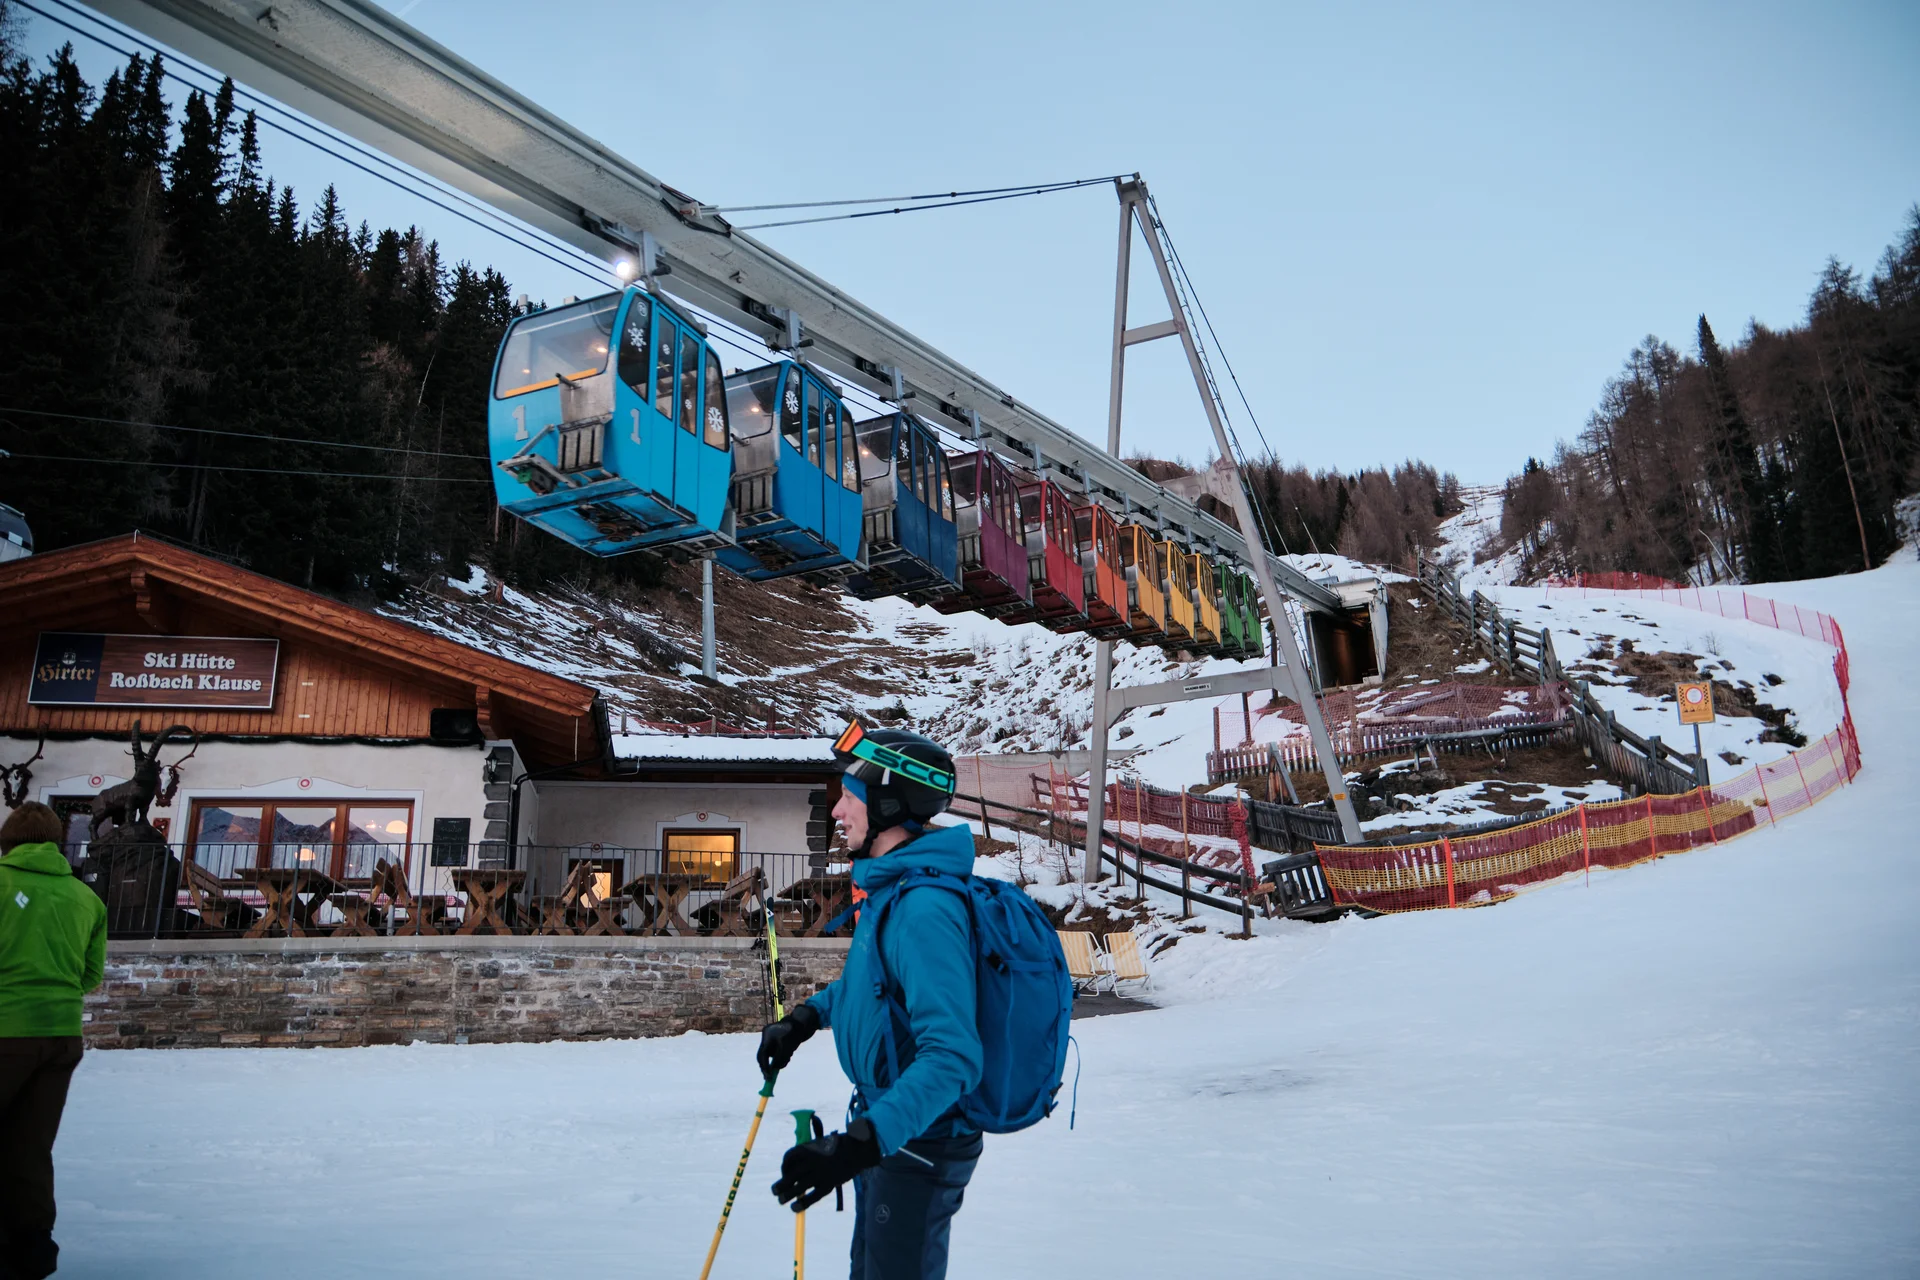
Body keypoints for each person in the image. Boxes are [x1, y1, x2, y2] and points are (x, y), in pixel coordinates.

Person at [759, 723, 982, 1280]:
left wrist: (864, 1142)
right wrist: (807, 1019)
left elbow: (953, 1054)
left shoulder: (924, 909)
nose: (837, 811)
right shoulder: (892, 893)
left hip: (918, 1140)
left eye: (849, 797)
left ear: (887, 802)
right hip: (890, 1128)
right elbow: (871, 986)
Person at [0, 802, 106, 1280]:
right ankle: (30, 1254)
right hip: (61, 1036)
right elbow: (90, 975)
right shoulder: (86, 899)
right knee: (30, 1149)